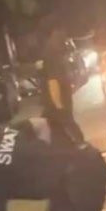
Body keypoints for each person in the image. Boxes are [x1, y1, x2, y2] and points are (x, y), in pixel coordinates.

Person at [37, 18, 85, 146]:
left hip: (56, 100)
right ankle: (74, 145)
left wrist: (58, 104)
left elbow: (53, 81)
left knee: (64, 123)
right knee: (55, 124)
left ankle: (81, 145)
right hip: (61, 97)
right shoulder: (58, 50)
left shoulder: (51, 51)